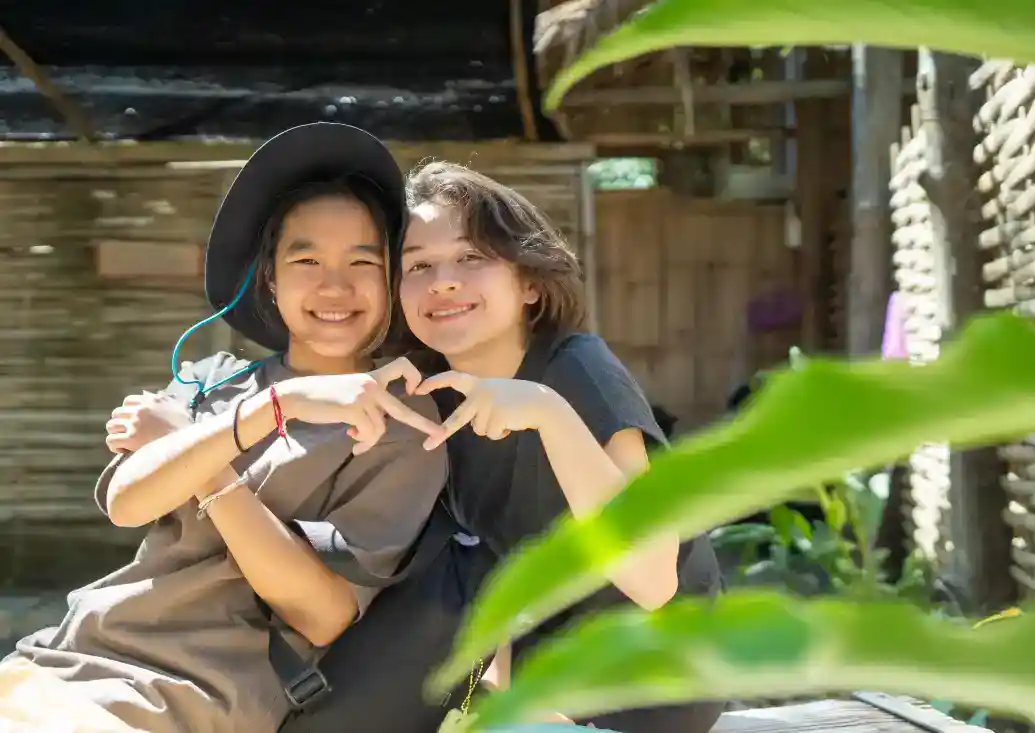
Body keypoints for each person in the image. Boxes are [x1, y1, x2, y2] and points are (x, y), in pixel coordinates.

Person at [1, 123, 447, 733]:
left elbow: (323, 614)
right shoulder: (211, 380)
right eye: (306, 258)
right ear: (268, 276)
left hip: (188, 693)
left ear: (392, 279)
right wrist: (266, 407)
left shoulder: (401, 424)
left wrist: (206, 452)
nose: (334, 285)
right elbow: (130, 503)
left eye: (362, 262)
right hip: (71, 654)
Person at [293, 161, 726, 732]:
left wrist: (547, 414)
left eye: (471, 257)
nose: (444, 280)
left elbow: (652, 580)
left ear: (528, 282)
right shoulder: (427, 398)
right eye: (419, 265)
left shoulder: (578, 373)